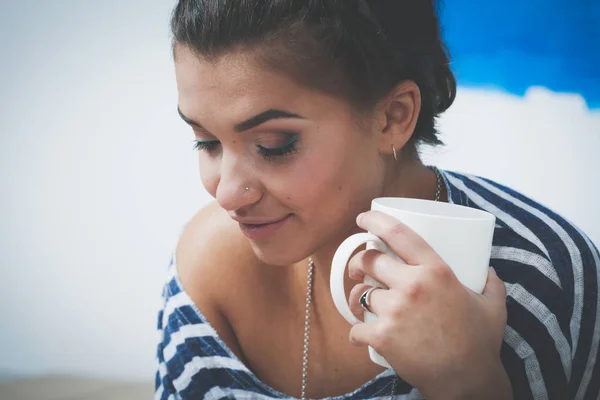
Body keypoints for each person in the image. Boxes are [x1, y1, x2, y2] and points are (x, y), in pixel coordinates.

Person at [155, 1, 600, 399]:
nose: (227, 194)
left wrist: (470, 385)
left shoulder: (541, 280)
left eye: (274, 144)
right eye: (206, 141)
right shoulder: (205, 269)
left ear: (393, 116)